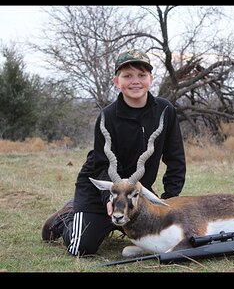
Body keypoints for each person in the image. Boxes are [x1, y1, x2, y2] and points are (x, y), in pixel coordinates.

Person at [42, 48, 186, 257]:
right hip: (100, 189)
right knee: (81, 248)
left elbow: (176, 160)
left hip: (134, 192)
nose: (135, 81)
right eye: (127, 76)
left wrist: (169, 201)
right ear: (116, 81)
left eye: (141, 75)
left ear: (151, 79)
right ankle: (66, 216)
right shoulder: (107, 117)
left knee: (163, 238)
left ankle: (115, 224)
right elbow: (101, 165)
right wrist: (108, 199)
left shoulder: (165, 110)